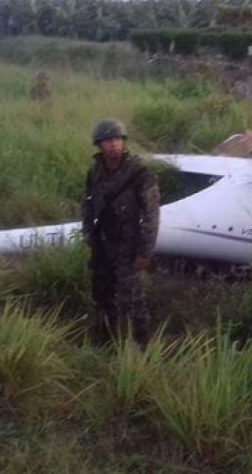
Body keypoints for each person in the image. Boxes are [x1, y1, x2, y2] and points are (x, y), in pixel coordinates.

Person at [82, 118, 160, 345]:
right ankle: (107, 343)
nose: (114, 144)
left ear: (124, 141)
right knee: (102, 294)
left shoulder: (141, 172)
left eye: (117, 139)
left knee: (133, 301)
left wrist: (145, 254)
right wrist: (88, 233)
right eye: (108, 140)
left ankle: (143, 349)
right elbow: (87, 203)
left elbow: (152, 216)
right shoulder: (95, 171)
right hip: (103, 244)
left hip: (130, 246)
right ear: (99, 144)